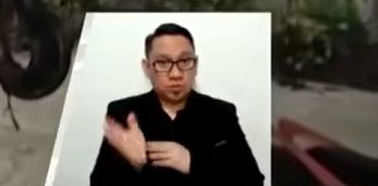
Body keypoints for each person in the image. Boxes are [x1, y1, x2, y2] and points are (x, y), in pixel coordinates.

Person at [91, 22, 264, 184]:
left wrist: (193, 164)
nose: (175, 74)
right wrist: (136, 163)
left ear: (195, 65)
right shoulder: (124, 113)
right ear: (147, 67)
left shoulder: (221, 114)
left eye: (184, 61)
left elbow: (253, 181)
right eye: (163, 63)